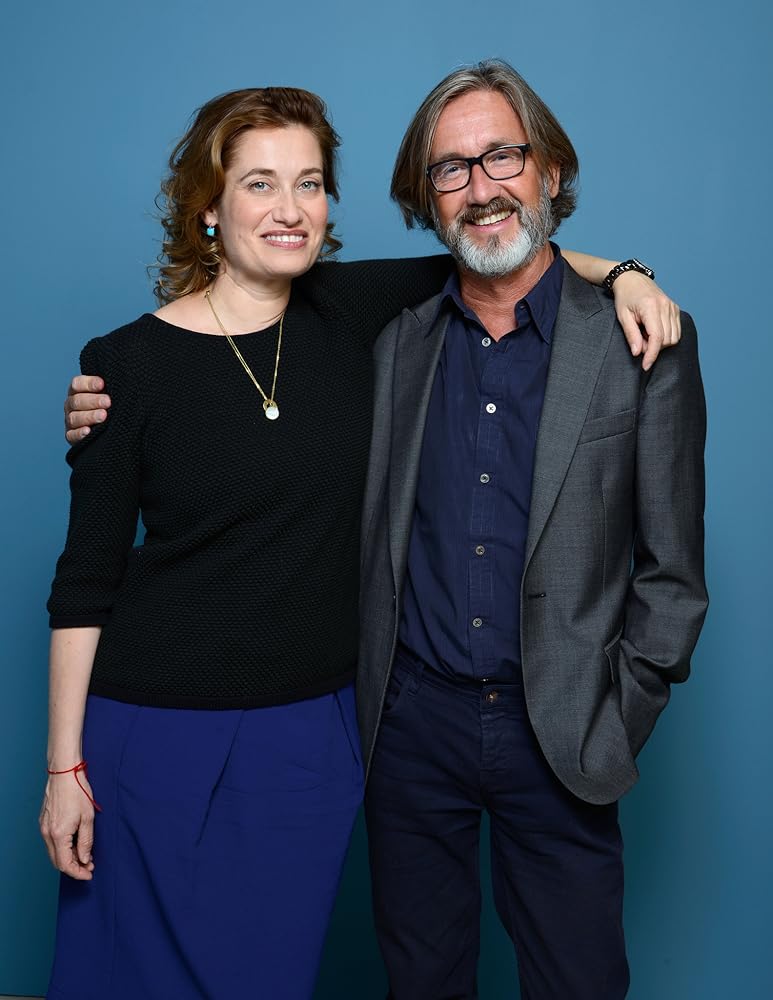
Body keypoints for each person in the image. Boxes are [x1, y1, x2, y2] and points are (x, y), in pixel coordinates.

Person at [53, 84, 678, 999]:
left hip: (323, 731)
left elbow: (503, 246)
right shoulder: (127, 364)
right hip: (173, 722)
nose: (289, 207)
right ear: (207, 209)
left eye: (309, 183)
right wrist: (62, 765)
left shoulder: (350, 313)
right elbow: (85, 578)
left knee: (269, 974)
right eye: (260, 183)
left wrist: (625, 272)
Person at [354, 60, 708, 999]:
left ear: (549, 170)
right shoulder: (389, 341)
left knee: (577, 983)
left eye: (502, 156)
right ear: (426, 197)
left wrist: (614, 717)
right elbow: (245, 316)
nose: (480, 188)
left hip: (562, 727)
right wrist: (118, 397)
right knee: (419, 982)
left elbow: (672, 574)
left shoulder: (640, 341)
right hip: (409, 725)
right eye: (451, 168)